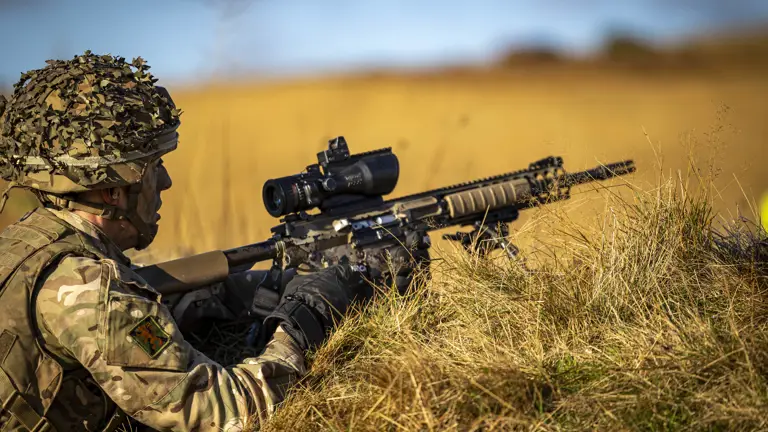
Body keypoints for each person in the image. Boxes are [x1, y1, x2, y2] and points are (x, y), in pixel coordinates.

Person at [0, 52, 430, 432]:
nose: (165, 181)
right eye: (153, 169)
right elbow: (221, 411)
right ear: (115, 191)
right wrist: (303, 319)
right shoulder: (89, 289)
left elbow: (141, 309)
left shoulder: (30, 241)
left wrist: (260, 288)